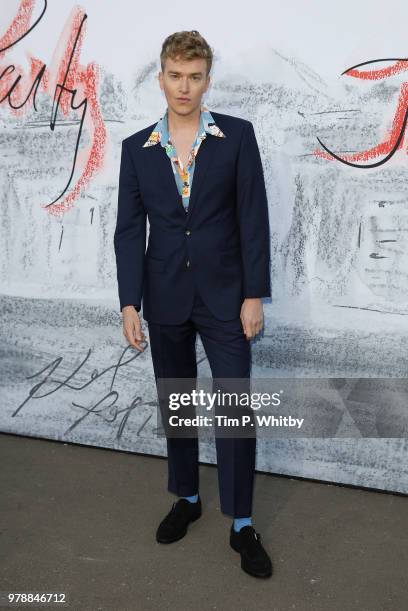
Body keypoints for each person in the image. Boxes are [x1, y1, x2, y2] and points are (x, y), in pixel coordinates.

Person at [114, 30, 272, 578]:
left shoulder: (237, 137)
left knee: (233, 407)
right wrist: (128, 303)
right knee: (176, 403)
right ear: (161, 79)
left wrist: (253, 294)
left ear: (208, 79)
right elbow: (130, 231)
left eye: (195, 76)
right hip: (163, 297)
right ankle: (185, 498)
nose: (185, 87)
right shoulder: (137, 149)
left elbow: (253, 219)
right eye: (175, 76)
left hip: (228, 296)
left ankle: (241, 522)